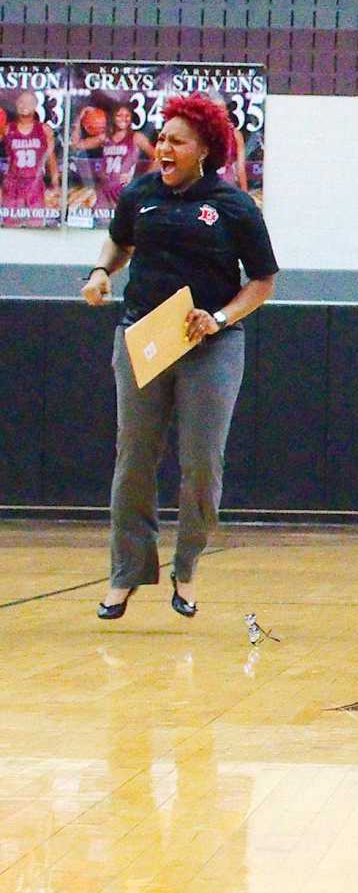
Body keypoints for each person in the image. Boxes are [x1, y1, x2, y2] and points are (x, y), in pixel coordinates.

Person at [81, 93, 277, 620]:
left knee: (200, 464)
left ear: (204, 149)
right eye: (161, 139)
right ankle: (125, 575)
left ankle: (186, 568)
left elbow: (262, 282)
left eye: (176, 141)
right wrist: (101, 272)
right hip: (143, 337)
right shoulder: (139, 194)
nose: (163, 147)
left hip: (208, 344)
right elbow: (118, 245)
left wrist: (219, 317)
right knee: (134, 458)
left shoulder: (235, 205)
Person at [3, 89, 57, 227]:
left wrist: (56, 184)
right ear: (16, 104)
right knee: (10, 226)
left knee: (36, 225)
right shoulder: (8, 129)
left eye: (29, 102)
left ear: (35, 105)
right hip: (13, 184)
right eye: (21, 102)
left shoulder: (44, 129)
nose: (24, 105)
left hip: (34, 184)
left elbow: (51, 158)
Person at [96, 103, 151, 218]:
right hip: (106, 189)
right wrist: (79, 118)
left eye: (127, 115)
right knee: (101, 225)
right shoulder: (105, 138)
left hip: (124, 189)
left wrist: (140, 178)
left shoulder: (136, 137)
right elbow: (77, 145)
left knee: (123, 225)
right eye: (119, 115)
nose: (123, 119)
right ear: (113, 118)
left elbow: (157, 157)